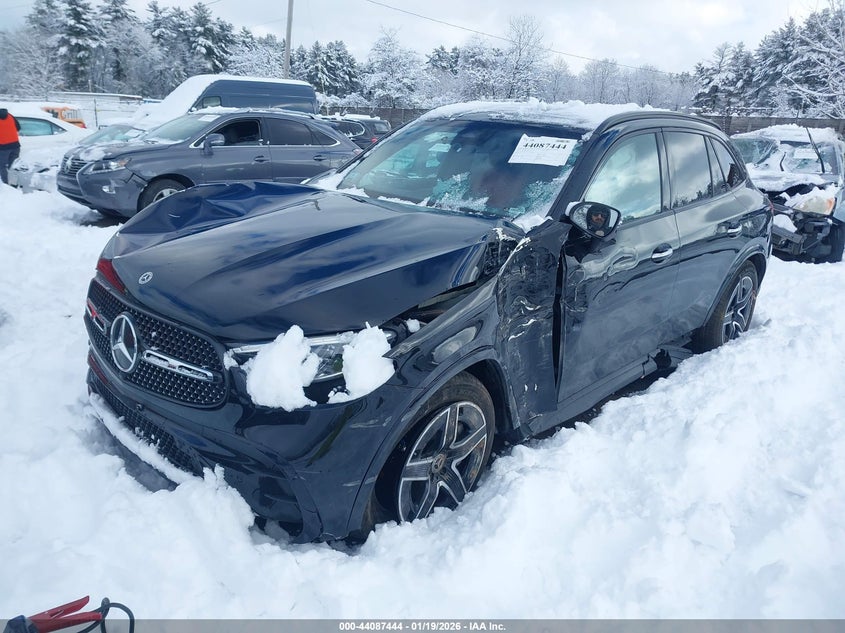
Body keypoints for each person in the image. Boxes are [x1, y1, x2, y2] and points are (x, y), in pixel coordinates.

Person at [0, 108, 21, 185]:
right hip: (15, 146)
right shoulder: (10, 116)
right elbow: (18, 128)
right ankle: (14, 183)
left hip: (3, 148)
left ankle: (6, 185)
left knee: (2, 167)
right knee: (14, 166)